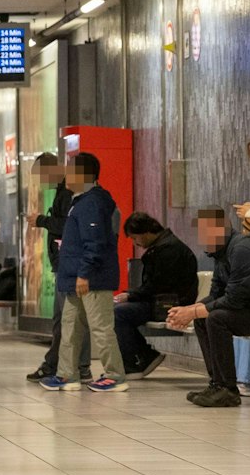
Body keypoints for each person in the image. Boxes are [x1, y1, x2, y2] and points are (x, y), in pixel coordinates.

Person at [167, 207, 250, 407]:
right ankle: (217, 384)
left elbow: (233, 300)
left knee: (216, 318)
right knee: (204, 318)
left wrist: (192, 311)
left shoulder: (243, 250)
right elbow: (215, 295)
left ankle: (228, 390)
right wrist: (188, 311)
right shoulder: (222, 252)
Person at [45, 152, 125, 392]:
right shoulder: (80, 201)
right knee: (70, 327)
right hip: (74, 278)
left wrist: (84, 273)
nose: (66, 175)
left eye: (70, 170)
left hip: (92, 279)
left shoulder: (94, 202)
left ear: (84, 175)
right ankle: (67, 374)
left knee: (100, 328)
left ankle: (115, 375)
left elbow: (95, 242)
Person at [114, 212, 198, 378]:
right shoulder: (163, 247)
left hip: (170, 304)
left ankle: (137, 361)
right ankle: (145, 355)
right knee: (118, 311)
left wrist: (130, 295)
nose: (135, 243)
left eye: (134, 238)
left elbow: (158, 286)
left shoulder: (168, 250)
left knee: (118, 314)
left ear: (145, 233)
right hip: (163, 300)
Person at [26, 153, 83, 382]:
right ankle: (59, 364)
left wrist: (41, 220)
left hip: (68, 263)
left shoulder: (67, 193)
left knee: (67, 318)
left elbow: (67, 226)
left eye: (40, 176)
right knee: (63, 318)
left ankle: (65, 366)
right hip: (63, 262)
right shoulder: (62, 192)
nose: (41, 182)